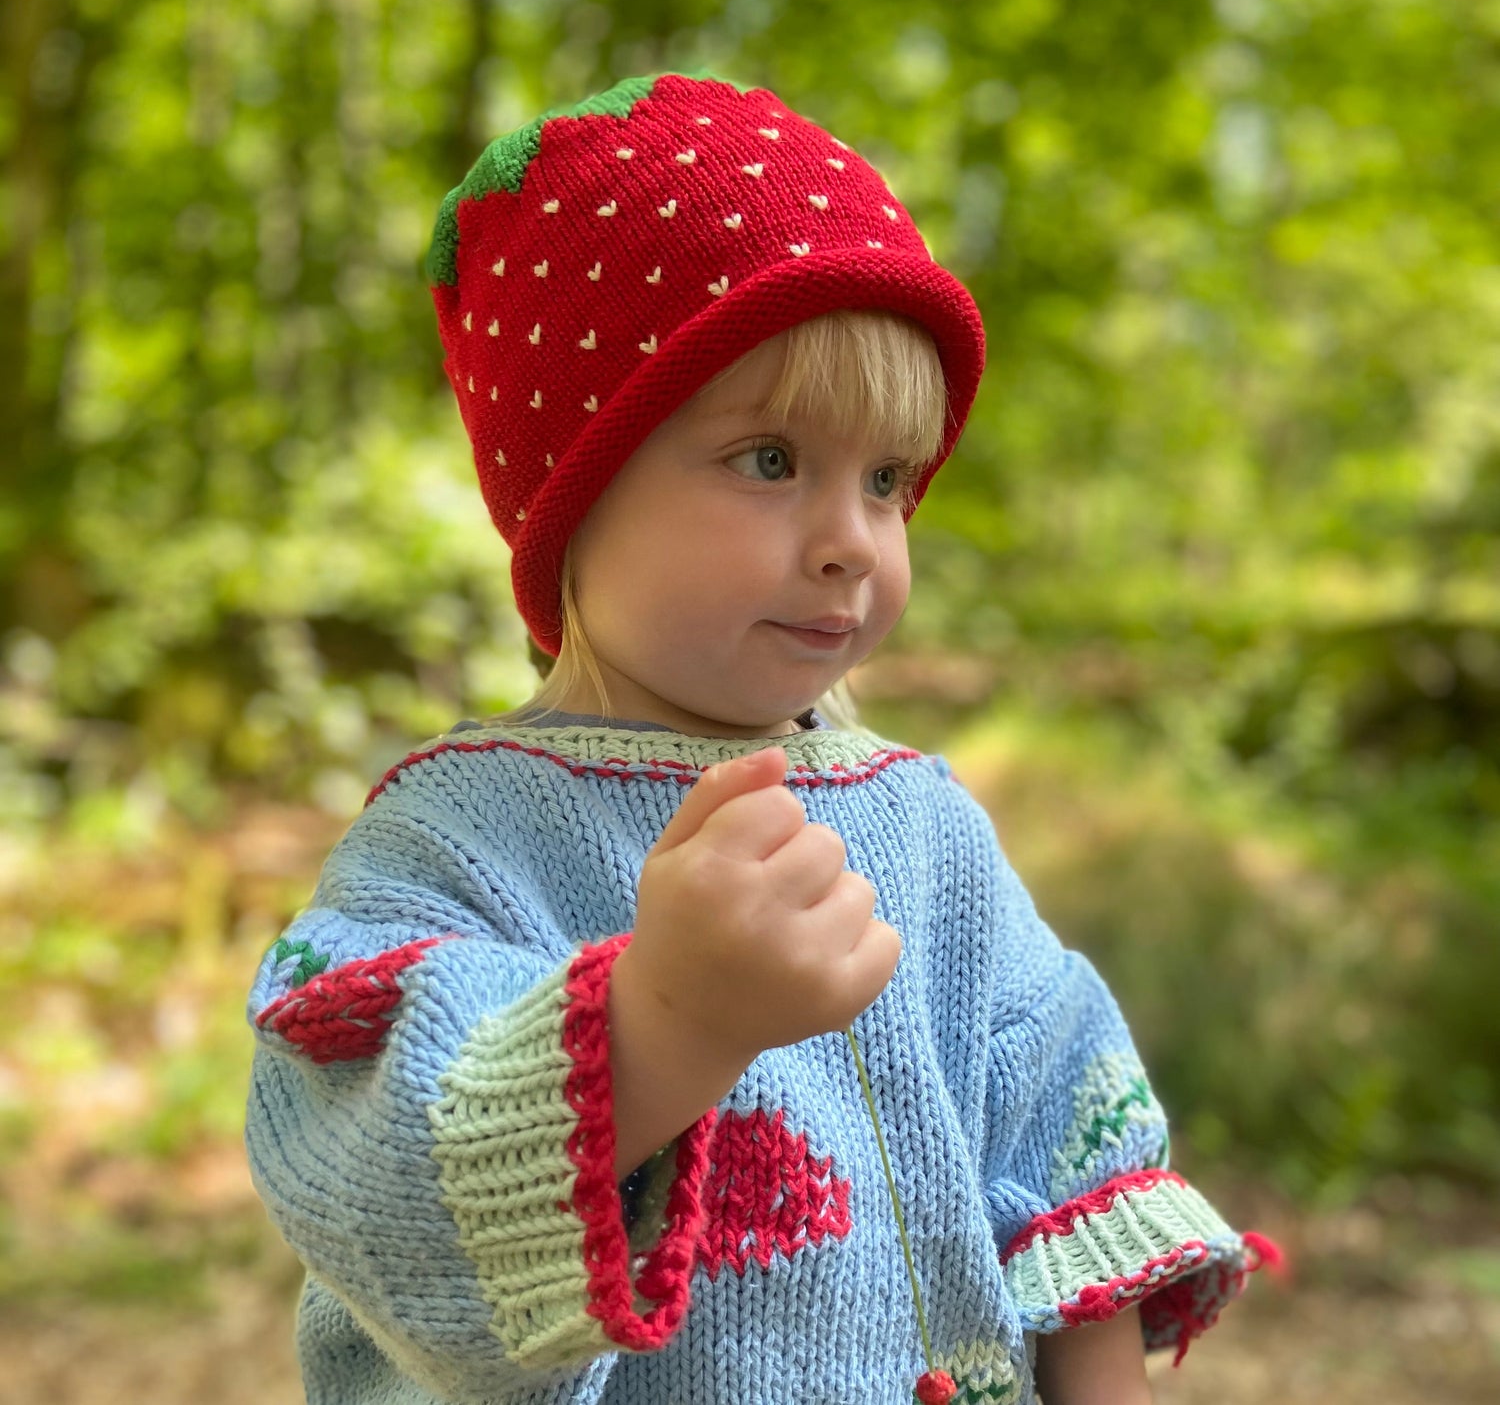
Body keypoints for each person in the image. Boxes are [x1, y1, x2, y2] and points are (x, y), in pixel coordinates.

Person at [244, 70, 1278, 1405]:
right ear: (582, 487)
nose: (854, 538)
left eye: (889, 480)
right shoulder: (463, 837)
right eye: (772, 461)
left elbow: (1058, 1141)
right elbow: (361, 1164)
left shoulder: (928, 830)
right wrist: (656, 1022)